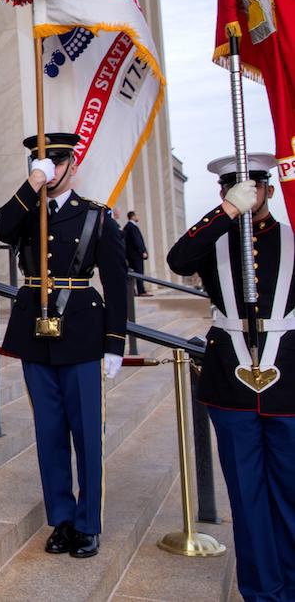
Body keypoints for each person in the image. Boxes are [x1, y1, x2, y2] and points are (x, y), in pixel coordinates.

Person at [0, 133, 127, 559]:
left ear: (73, 167)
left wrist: (114, 344)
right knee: (49, 432)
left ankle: (88, 522)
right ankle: (62, 519)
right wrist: (32, 184)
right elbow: (0, 227)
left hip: (82, 331)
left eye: (56, 164)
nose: (50, 170)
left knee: (87, 433)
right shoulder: (26, 212)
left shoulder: (96, 217)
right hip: (35, 330)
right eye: (42, 164)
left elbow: (118, 285)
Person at [166, 153, 295, 601]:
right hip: (231, 384)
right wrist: (226, 213)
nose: (245, 194)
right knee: (247, 498)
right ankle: (263, 592)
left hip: (289, 382)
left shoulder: (292, 236)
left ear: (270, 191)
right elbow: (177, 258)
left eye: (255, 188)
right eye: (233, 189)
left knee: (291, 493)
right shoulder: (215, 238)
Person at [123, 211, 151, 296]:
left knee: (132, 274)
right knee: (139, 273)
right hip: (136, 255)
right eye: (137, 215)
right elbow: (137, 240)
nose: (138, 217)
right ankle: (141, 291)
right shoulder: (132, 227)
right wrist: (142, 251)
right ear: (133, 216)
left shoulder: (127, 227)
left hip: (130, 255)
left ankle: (132, 292)